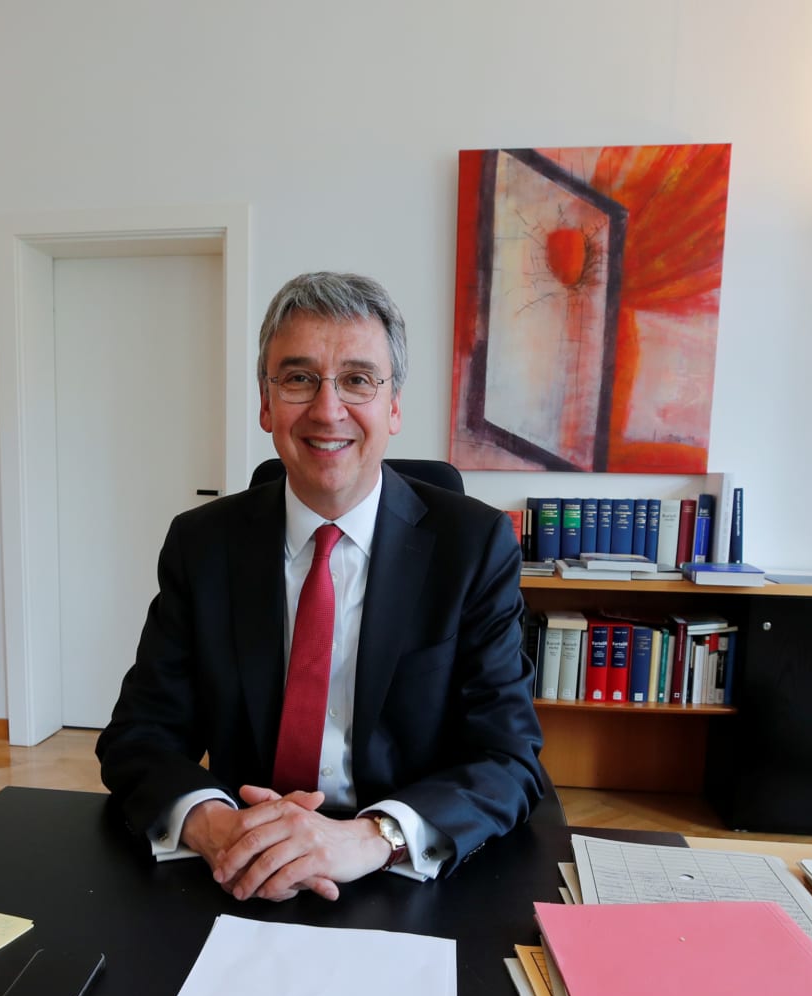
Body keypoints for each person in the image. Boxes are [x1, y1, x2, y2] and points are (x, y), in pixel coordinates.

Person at [96, 271, 545, 903]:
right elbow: (138, 735)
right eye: (299, 378)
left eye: (358, 379)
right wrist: (217, 828)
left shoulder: (473, 548)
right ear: (265, 403)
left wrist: (370, 837)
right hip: (238, 871)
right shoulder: (202, 545)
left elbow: (510, 760)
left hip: (402, 872)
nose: (327, 409)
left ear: (393, 406)